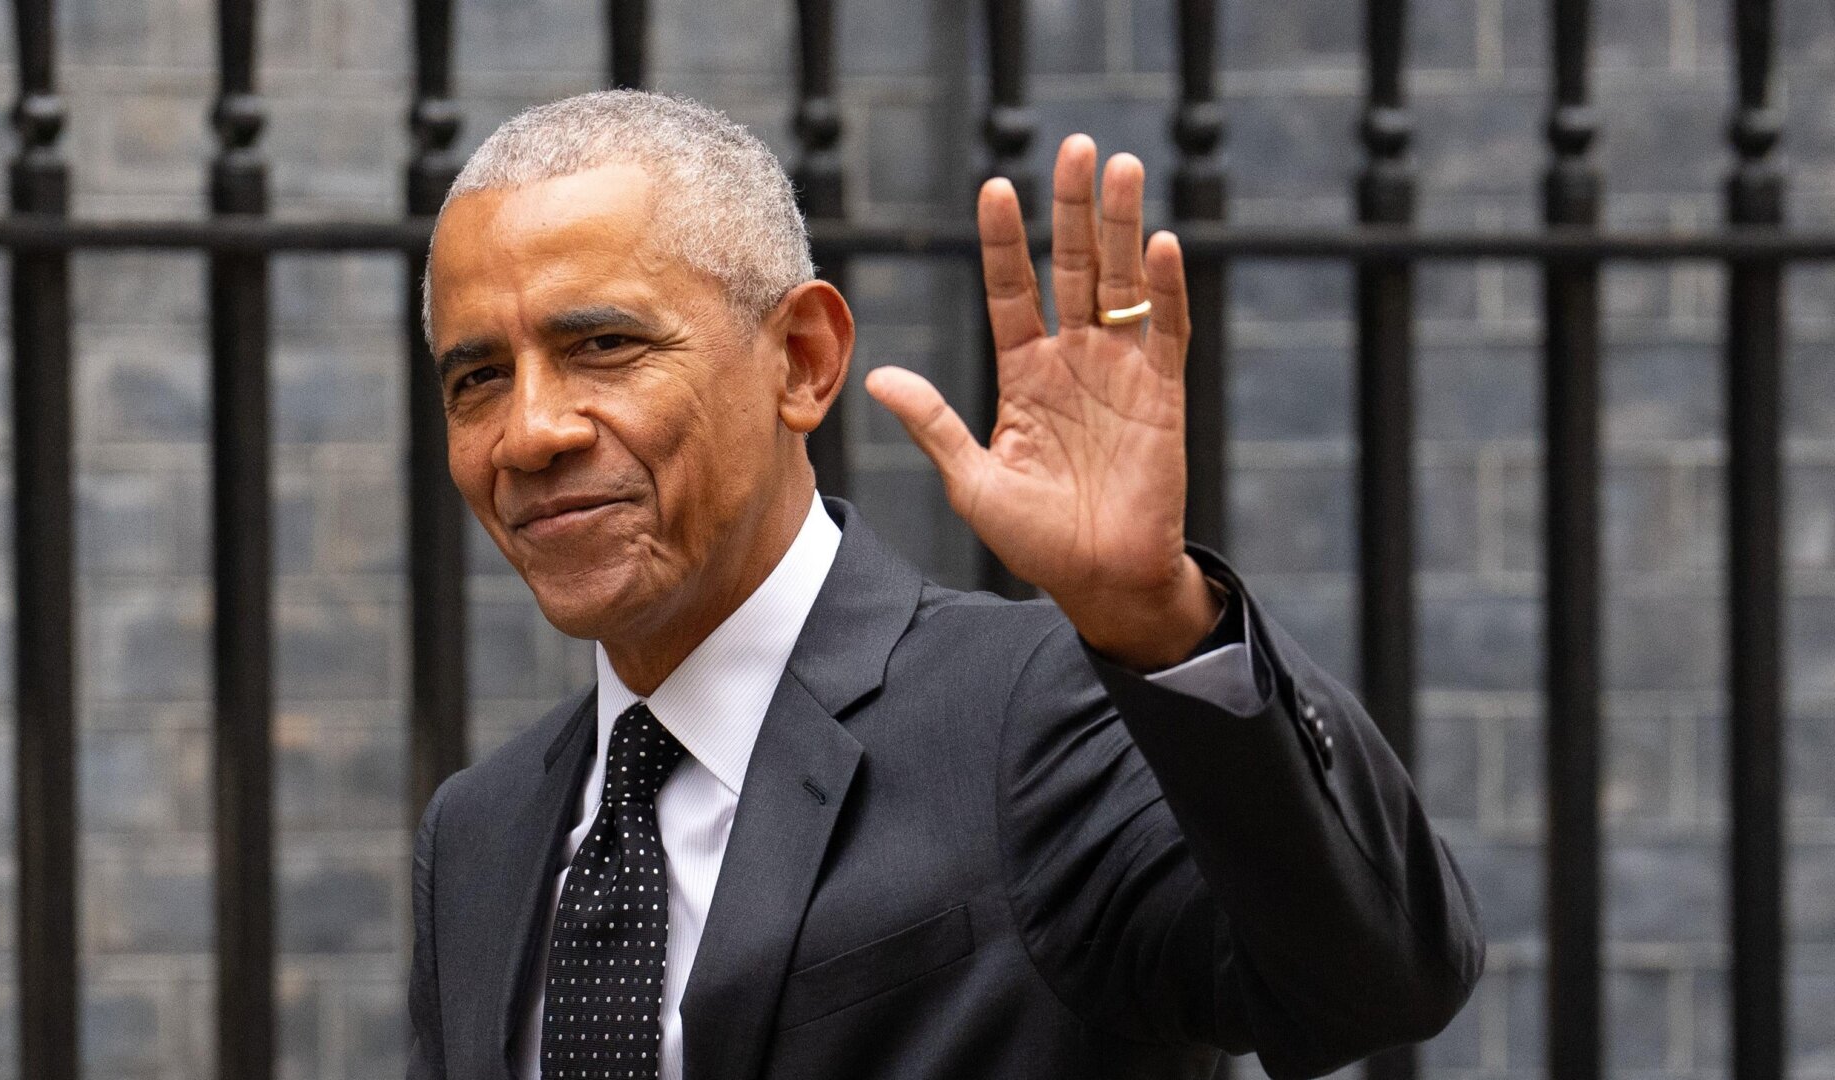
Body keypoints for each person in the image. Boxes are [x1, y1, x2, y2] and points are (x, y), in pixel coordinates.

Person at [408, 90, 1481, 1080]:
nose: (530, 432)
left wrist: (1158, 618)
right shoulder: (481, 829)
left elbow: (1375, 980)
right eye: (478, 380)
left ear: (802, 360)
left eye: (601, 345)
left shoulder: (1038, 718)